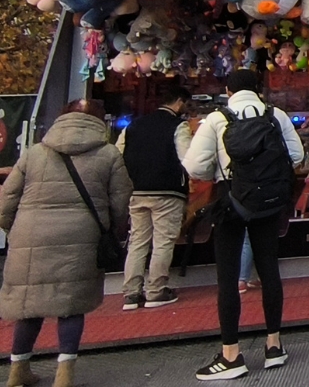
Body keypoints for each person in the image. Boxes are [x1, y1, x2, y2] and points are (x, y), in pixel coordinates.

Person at [0, 100, 133, 387]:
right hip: (81, 235)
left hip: (28, 234)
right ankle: (64, 375)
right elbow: (120, 201)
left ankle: (17, 371)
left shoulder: (35, 153)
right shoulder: (109, 154)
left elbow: (7, 199)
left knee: (28, 306)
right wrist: (110, 229)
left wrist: (15, 229)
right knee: (71, 305)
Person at [183, 70, 304, 380]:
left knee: (227, 277)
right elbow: (297, 155)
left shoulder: (216, 119)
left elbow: (195, 166)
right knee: (269, 270)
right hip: (268, 200)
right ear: (258, 88)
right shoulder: (275, 115)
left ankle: (231, 354)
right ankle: (274, 345)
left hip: (231, 200)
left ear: (228, 90)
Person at [117, 81, 193, 310]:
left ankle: (131, 293)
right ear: (179, 102)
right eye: (186, 104)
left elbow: (118, 155)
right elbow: (187, 158)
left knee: (138, 241)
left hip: (137, 190)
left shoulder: (133, 126)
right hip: (167, 191)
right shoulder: (178, 126)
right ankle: (156, 290)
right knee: (163, 241)